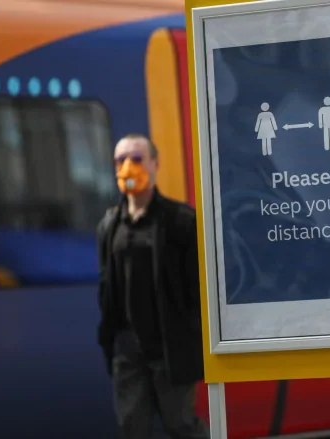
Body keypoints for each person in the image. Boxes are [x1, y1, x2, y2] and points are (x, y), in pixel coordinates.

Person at [96, 133, 209, 439]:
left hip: (169, 347)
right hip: (128, 351)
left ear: (155, 163)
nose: (128, 167)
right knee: (132, 426)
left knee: (181, 424)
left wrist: (193, 333)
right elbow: (107, 286)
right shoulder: (109, 225)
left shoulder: (180, 221)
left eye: (136, 159)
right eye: (121, 160)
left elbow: (198, 288)